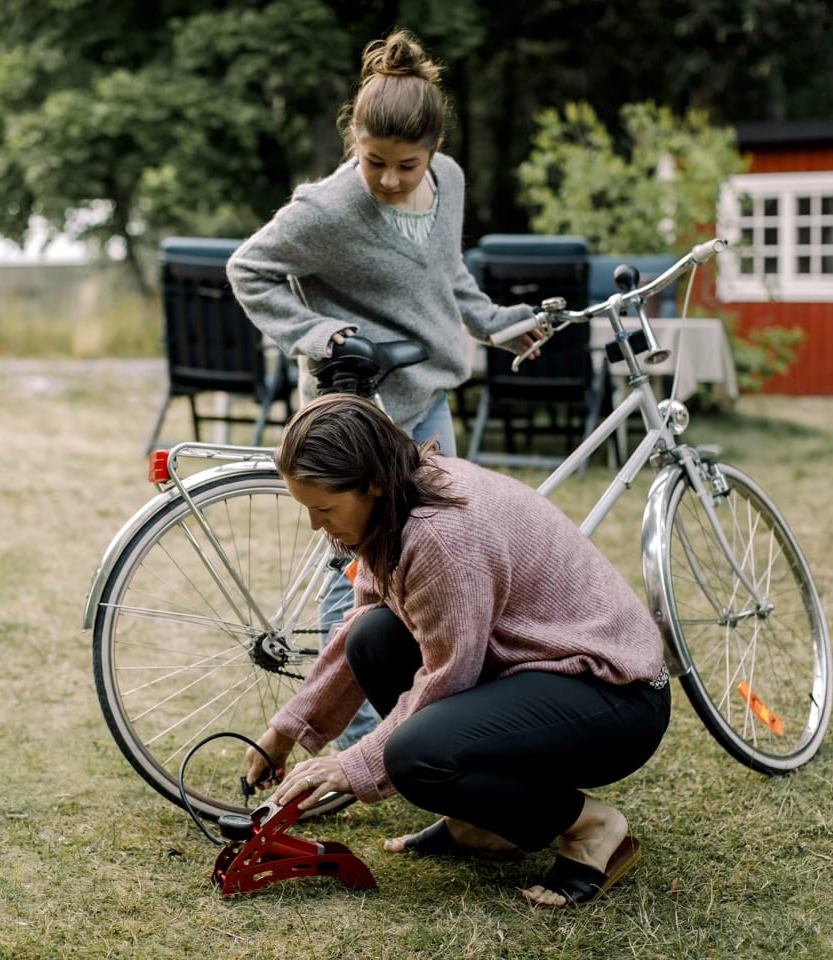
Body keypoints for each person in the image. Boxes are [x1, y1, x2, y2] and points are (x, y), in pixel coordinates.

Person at [227, 29, 538, 747]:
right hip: (357, 415)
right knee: (360, 577)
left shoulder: (450, 181)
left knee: (441, 557)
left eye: (407, 164)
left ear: (433, 151)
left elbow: (447, 275)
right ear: (353, 142)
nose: (391, 179)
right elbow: (249, 269)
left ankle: (433, 716)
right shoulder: (329, 208)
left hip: (427, 403)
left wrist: (496, 324)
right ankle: (355, 740)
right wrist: (318, 334)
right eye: (374, 162)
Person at [245, 394, 672, 908]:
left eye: (324, 509)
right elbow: (360, 622)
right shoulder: (393, 505)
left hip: (615, 697)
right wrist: (288, 729)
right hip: (539, 673)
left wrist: (354, 765)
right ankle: (484, 824)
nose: (315, 525)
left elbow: (448, 677)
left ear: (372, 483)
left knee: (415, 755)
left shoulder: (441, 536)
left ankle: (594, 829)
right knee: (372, 638)